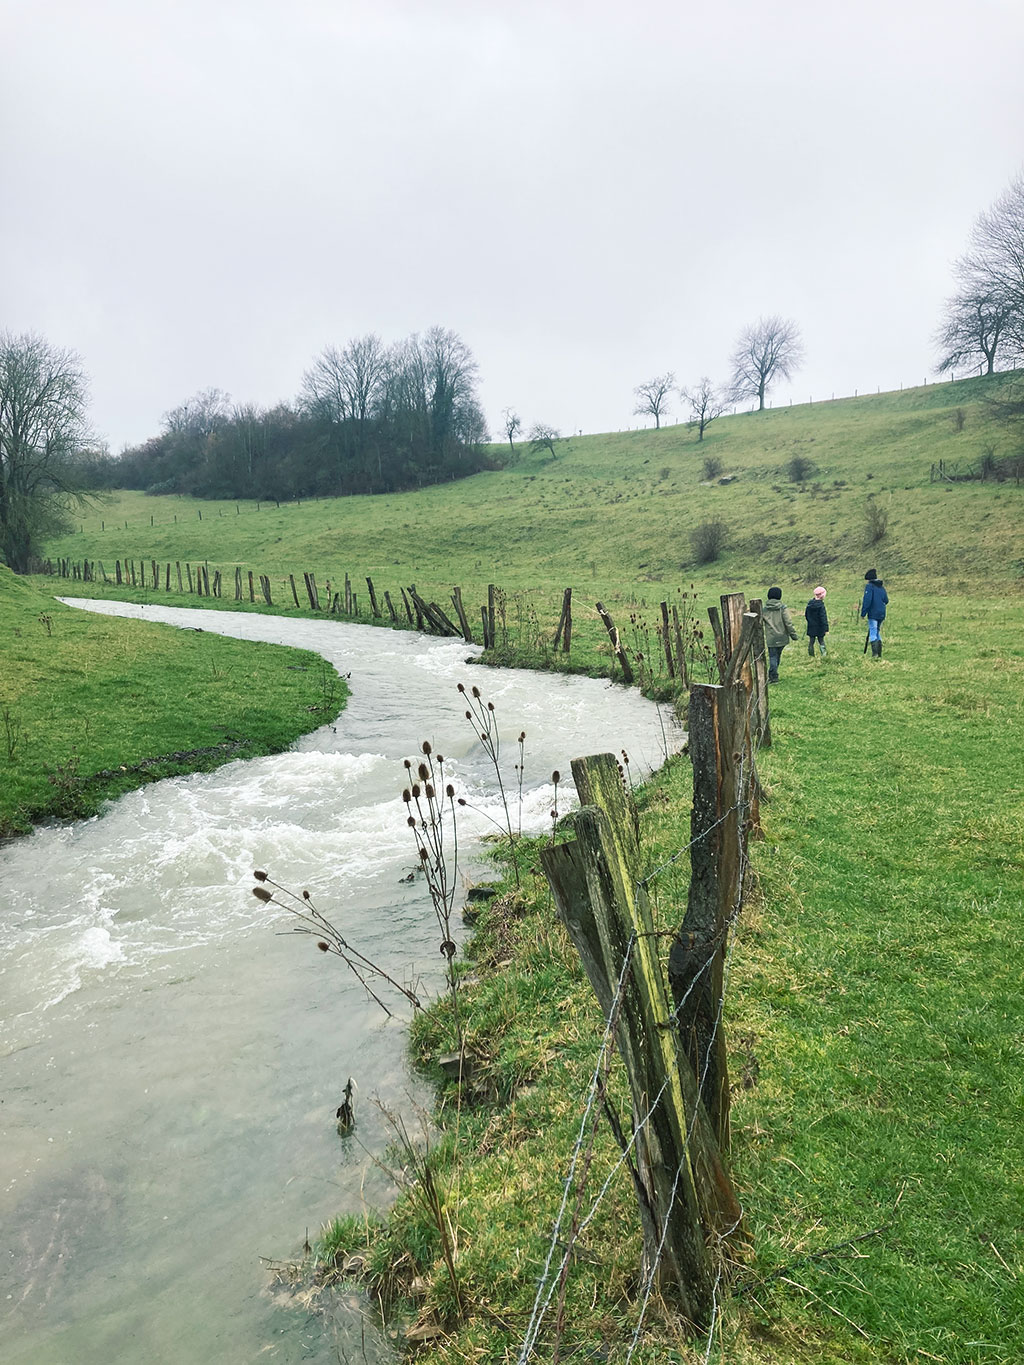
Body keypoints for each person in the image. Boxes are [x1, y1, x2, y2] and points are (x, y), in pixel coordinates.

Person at [763, 586, 798, 682]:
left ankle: (773, 675)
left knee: (772, 656)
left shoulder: (764, 610)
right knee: (777, 655)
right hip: (782, 637)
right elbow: (788, 623)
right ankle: (773, 674)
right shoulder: (782, 608)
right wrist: (793, 635)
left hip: (771, 637)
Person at [861, 568, 889, 658]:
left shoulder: (869, 587)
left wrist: (863, 613)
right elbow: (886, 600)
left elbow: (867, 600)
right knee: (877, 631)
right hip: (882, 613)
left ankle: (875, 654)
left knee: (873, 631)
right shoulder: (881, 587)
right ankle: (879, 653)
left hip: (873, 613)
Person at [805, 585, 828, 657]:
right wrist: (826, 628)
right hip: (820, 627)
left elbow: (806, 615)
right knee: (821, 641)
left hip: (811, 626)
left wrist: (810, 621)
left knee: (811, 641)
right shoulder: (821, 605)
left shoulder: (809, 604)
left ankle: (811, 655)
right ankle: (824, 654)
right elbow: (823, 617)